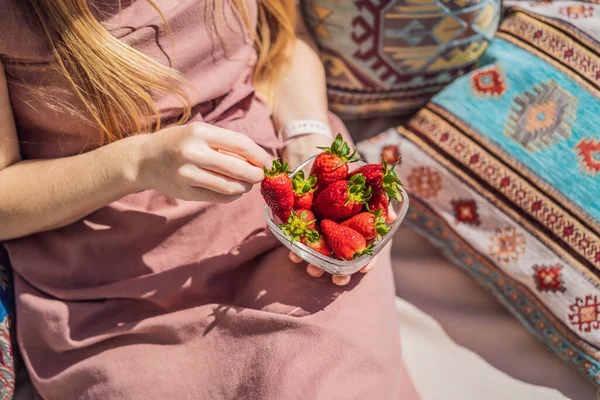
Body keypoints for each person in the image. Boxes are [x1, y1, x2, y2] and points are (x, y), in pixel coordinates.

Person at [0, 1, 417, 398]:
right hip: (116, 287)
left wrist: (309, 143)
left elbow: (283, 38)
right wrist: (137, 162)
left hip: (284, 224)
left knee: (329, 379)